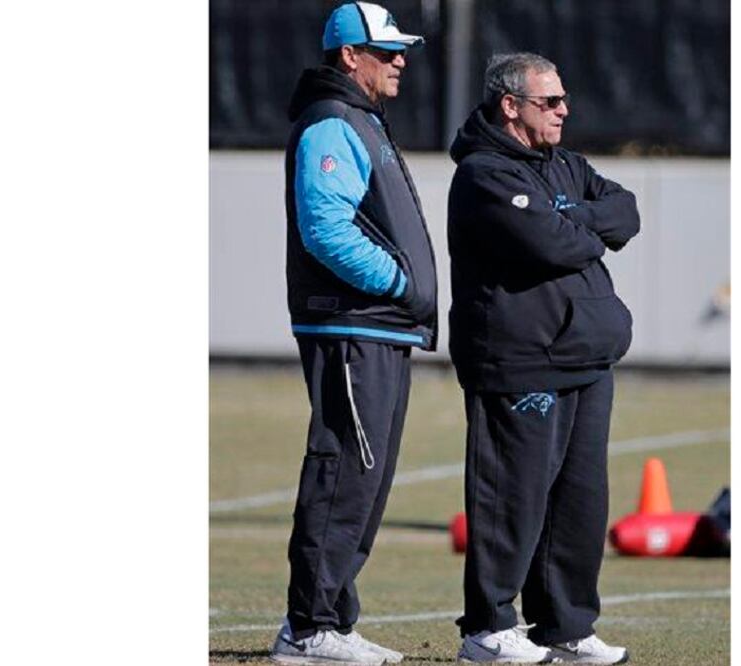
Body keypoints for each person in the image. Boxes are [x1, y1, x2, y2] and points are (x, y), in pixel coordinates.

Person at [446, 52, 640, 664]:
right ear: (511, 106)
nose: (564, 110)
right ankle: (488, 627)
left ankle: (566, 628)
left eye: (563, 99)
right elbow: (549, 244)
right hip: (520, 360)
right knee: (512, 495)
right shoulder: (484, 174)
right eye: (549, 101)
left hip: (585, 357)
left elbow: (625, 210)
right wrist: (579, 224)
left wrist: (573, 213)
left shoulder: (565, 166)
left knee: (580, 501)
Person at [272, 3, 437, 664]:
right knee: (343, 471)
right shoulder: (332, 123)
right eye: (385, 50)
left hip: (375, 330)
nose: (399, 60)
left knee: (363, 479)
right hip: (351, 325)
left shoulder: (359, 120)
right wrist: (400, 285)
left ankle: (331, 621)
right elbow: (327, 228)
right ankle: (309, 628)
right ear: (349, 55)